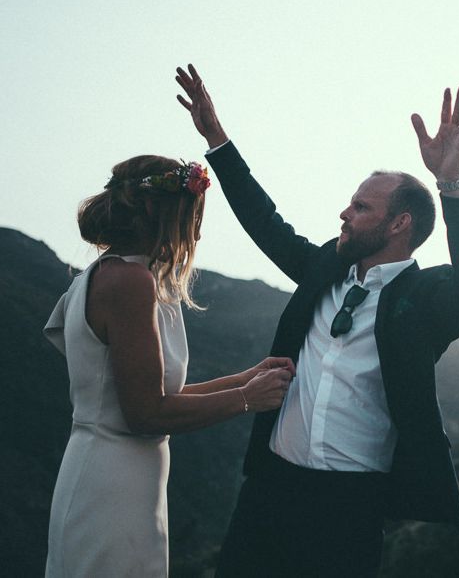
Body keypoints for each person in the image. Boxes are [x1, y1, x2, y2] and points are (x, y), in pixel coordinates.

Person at [176, 64, 459, 578]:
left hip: (350, 506)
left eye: (360, 207)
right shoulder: (324, 269)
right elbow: (266, 223)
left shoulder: (426, 301)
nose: (343, 214)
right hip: (269, 489)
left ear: (399, 223)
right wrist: (217, 139)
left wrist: (451, 183)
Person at [42, 153, 295, 577]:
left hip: (119, 477)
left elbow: (148, 395)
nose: (195, 228)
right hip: (112, 485)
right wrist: (245, 400)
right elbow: (143, 414)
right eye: (190, 214)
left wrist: (244, 378)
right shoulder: (129, 282)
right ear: (151, 208)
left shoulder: (102, 275)